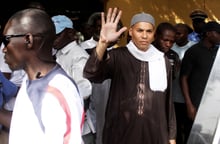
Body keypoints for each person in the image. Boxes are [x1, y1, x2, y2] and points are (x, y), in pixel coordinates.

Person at [83, 7, 176, 144]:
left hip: (154, 131)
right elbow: (91, 73)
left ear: (154, 34)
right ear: (131, 32)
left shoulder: (162, 60)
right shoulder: (118, 56)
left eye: (148, 31)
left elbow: (168, 101)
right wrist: (103, 43)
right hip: (121, 131)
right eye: (140, 30)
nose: (144, 36)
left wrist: (172, 136)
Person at [0, 8, 84, 144]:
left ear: (28, 40)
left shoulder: (58, 89)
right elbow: (26, 126)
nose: (4, 49)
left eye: (7, 40)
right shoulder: (30, 79)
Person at [51, 15, 93, 144]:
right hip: (65, 126)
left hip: (79, 129)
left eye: (57, 34)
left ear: (70, 33)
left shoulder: (78, 56)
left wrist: (56, 97)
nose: (53, 38)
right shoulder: (59, 53)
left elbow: (85, 89)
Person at [180, 21, 220, 142]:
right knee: (193, 137)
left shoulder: (217, 52)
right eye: (218, 33)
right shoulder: (193, 51)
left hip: (212, 104)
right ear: (208, 34)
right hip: (196, 104)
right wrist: (189, 105)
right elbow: (183, 78)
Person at [171, 23, 196, 144]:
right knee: (175, 129)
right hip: (173, 96)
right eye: (175, 33)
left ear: (187, 34)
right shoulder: (170, 48)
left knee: (188, 128)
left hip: (188, 97)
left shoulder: (193, 48)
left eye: (179, 33)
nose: (176, 36)